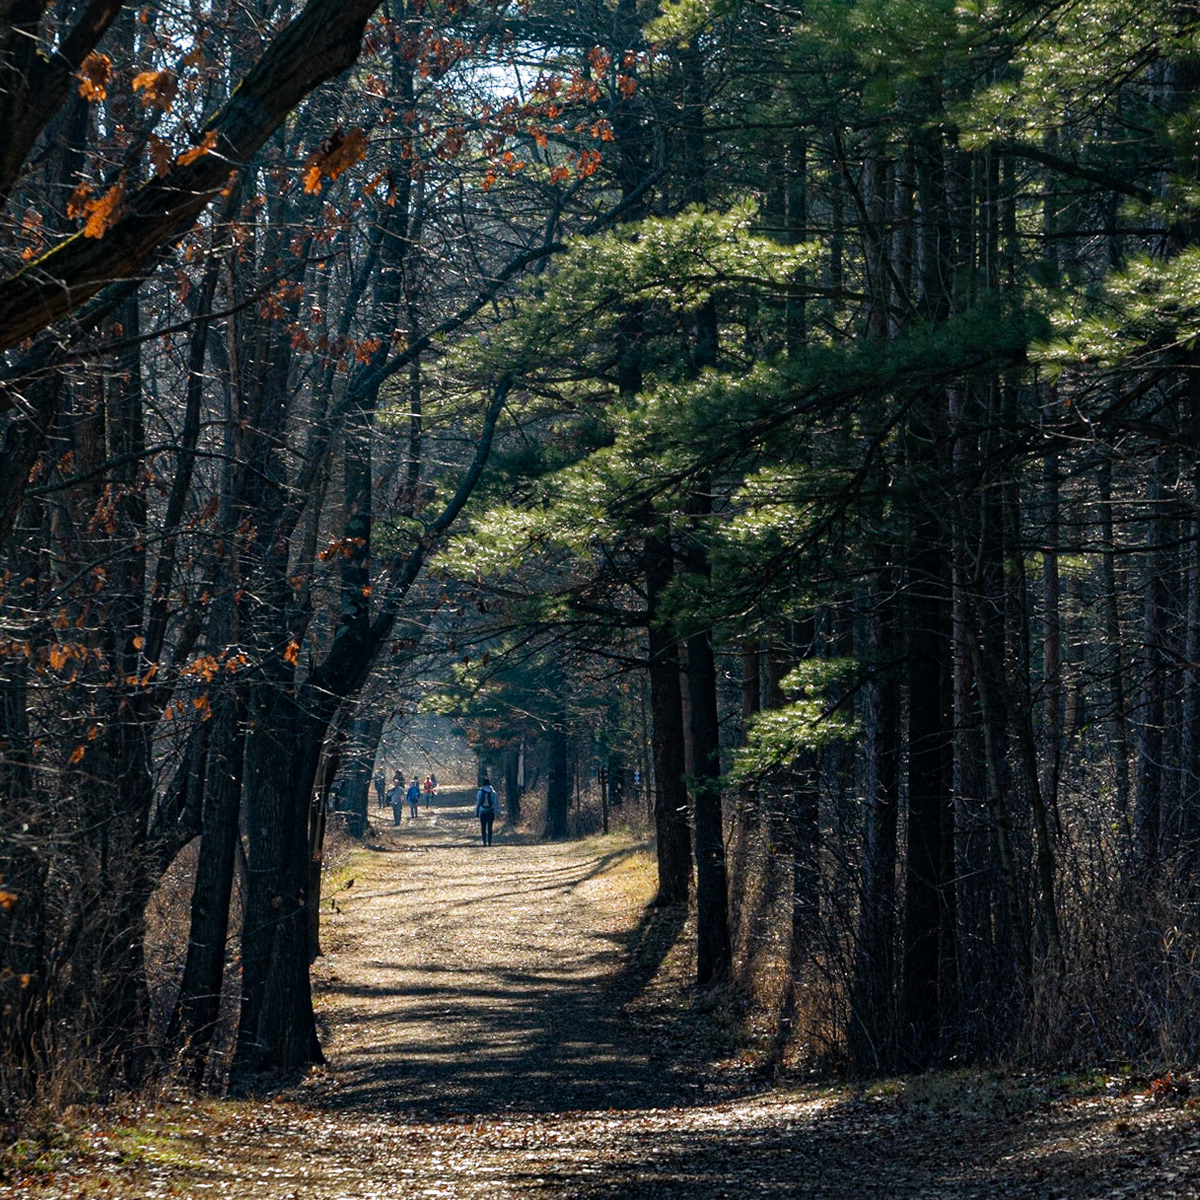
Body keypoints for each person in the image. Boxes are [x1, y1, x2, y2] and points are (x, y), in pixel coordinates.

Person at [475, 777, 498, 846]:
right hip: (491, 811)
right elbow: (496, 803)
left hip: (482, 811)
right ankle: (490, 843)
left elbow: (478, 803)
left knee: (483, 827)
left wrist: (476, 812)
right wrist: (497, 811)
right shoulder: (493, 792)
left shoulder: (480, 792)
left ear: (483, 784)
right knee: (490, 828)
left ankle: (484, 842)